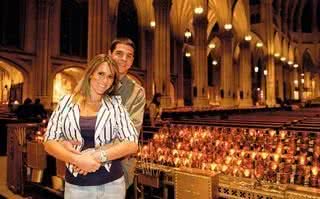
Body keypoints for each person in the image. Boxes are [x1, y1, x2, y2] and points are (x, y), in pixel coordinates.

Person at [43, 54, 138, 199]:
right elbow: (49, 142)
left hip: (112, 185)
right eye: (100, 73)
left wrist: (98, 156)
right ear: (90, 74)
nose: (104, 80)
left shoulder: (115, 105)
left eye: (110, 76)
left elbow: (132, 144)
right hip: (76, 185)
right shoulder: (66, 103)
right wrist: (76, 160)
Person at [109, 38, 146, 197]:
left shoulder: (137, 92)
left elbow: (130, 133)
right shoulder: (92, 82)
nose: (124, 59)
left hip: (118, 164)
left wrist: (98, 154)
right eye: (119, 53)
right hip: (85, 162)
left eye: (129, 56)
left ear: (132, 61)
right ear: (109, 55)